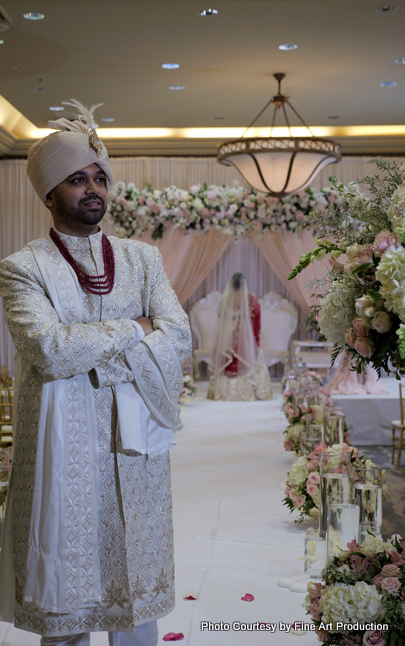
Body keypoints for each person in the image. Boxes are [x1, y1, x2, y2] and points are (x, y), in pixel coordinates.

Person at [0, 100, 191, 646]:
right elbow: (50, 351)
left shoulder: (141, 259)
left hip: (136, 450)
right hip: (61, 450)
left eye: (100, 178)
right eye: (76, 178)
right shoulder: (24, 268)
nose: (93, 189)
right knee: (67, 584)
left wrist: (96, 349)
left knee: (134, 591)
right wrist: (136, 328)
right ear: (49, 193)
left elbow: (177, 336)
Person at [207, 273, 272, 401]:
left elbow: (220, 316)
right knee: (250, 357)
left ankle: (223, 392)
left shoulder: (225, 299)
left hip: (226, 341)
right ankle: (249, 390)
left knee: (226, 357)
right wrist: (254, 342)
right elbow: (257, 320)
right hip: (244, 340)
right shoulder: (251, 299)